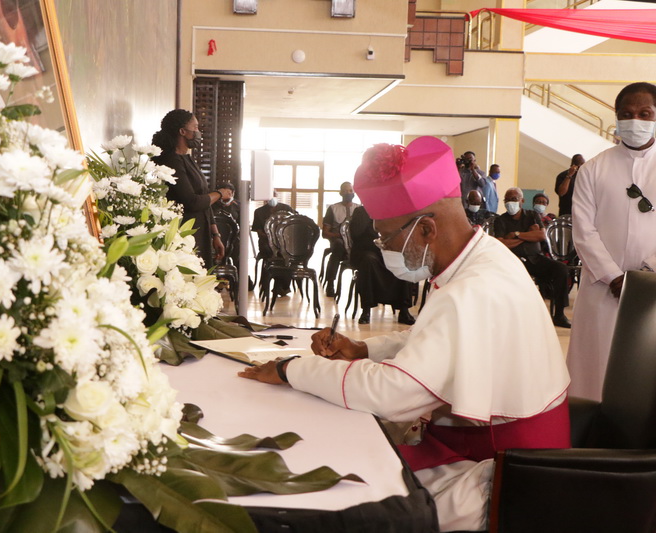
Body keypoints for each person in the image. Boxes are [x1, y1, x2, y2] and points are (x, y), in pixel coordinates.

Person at [239, 137, 570, 533]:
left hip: (500, 475)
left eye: (386, 237)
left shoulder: (473, 288)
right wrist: (363, 348)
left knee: (340, 503)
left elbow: (392, 395)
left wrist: (293, 369)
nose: (383, 248)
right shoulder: (481, 257)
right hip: (486, 446)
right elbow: (439, 340)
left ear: (426, 228)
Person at [567, 82, 656, 401]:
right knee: (596, 371)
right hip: (603, 289)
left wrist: (646, 277)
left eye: (644, 113)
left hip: (653, 288)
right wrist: (614, 277)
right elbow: (583, 230)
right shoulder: (593, 169)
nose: (635, 121)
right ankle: (592, 439)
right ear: (616, 118)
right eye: (626, 114)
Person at [152, 109, 232, 268]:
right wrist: (220, 193)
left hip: (201, 231)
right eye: (195, 128)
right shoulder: (171, 161)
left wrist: (215, 234)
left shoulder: (187, 158)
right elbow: (193, 202)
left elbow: (204, 198)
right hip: (186, 232)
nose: (198, 132)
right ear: (182, 131)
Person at [494, 187, 571, 328]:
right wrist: (528, 236)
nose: (511, 202)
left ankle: (559, 315)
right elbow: (502, 244)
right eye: (508, 200)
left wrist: (516, 235)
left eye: (514, 199)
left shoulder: (532, 215)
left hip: (535, 258)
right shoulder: (501, 220)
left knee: (561, 269)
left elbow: (541, 235)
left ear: (522, 201)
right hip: (513, 261)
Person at [349, 205, 416, 325]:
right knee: (369, 261)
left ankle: (404, 310)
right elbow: (356, 234)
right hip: (365, 250)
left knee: (402, 261)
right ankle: (366, 309)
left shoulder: (391, 210)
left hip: (386, 249)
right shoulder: (361, 211)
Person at [251, 191, 295, 295]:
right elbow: (259, 231)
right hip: (266, 242)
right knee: (270, 252)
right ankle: (267, 283)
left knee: (287, 254)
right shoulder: (259, 212)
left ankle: (282, 286)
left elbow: (293, 225)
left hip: (283, 242)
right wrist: (271, 237)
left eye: (274, 196)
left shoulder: (286, 209)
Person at [322, 182, 360, 297]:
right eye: (345, 191)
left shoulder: (359, 209)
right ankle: (330, 283)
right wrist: (339, 236)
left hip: (355, 241)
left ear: (353, 192)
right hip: (338, 240)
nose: (348, 193)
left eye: (350, 191)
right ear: (340, 193)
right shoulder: (333, 209)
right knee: (338, 248)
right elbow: (325, 233)